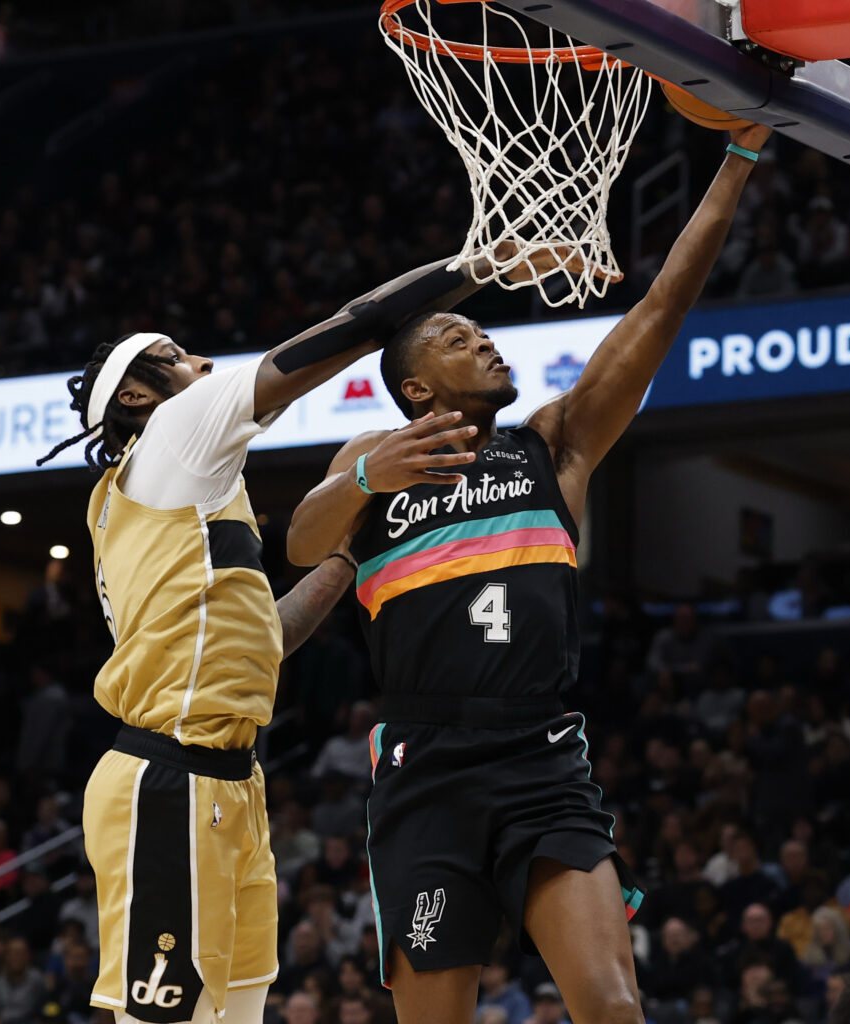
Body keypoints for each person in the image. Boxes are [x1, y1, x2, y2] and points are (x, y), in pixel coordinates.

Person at [285, 122, 773, 1023]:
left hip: (540, 757)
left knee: (614, 1005)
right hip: (424, 767)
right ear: (417, 388)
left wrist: (738, 160)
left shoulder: (555, 444)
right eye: (459, 336)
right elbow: (302, 544)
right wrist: (362, 477)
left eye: (482, 331)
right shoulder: (377, 456)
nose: (487, 342)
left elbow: (661, 307)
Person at [42, 239, 565, 1024]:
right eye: (174, 357)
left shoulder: (180, 499)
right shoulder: (173, 435)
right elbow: (349, 327)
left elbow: (266, 637)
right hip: (169, 780)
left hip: (228, 781)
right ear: (136, 401)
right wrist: (476, 267)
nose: (203, 363)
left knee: (239, 1012)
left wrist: (354, 551)